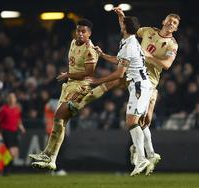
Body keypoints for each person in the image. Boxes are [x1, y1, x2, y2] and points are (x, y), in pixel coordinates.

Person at [68, 7, 180, 175]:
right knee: (136, 117)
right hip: (135, 74)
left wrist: (148, 56)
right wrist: (121, 17)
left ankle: (144, 154)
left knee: (139, 118)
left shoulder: (170, 44)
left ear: (176, 28)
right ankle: (148, 154)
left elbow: (167, 65)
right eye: (169, 20)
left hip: (147, 81)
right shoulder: (142, 34)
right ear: (163, 21)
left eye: (175, 23)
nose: (171, 23)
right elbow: (129, 28)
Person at [86, 12, 152, 176]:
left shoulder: (129, 45)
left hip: (138, 86)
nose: (120, 25)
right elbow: (118, 59)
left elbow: (119, 74)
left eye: (122, 24)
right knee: (136, 122)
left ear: (125, 28)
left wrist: (98, 81)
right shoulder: (129, 40)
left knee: (131, 122)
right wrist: (102, 55)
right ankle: (147, 155)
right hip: (140, 85)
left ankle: (143, 157)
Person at [29, 19, 99, 171]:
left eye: (83, 31)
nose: (80, 34)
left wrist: (68, 74)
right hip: (68, 86)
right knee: (60, 122)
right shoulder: (73, 42)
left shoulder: (90, 49)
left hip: (81, 87)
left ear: (89, 34)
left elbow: (89, 73)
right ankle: (50, 157)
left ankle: (49, 155)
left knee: (58, 117)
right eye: (78, 30)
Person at [0, 92, 26, 175]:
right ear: (7, 99)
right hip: (6, 131)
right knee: (11, 152)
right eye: (10, 97)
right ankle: (5, 170)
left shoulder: (17, 109)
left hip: (14, 132)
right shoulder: (3, 109)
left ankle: (3, 168)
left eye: (13, 97)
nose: (11, 99)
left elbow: (18, 120)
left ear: (15, 99)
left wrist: (21, 128)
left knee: (14, 152)